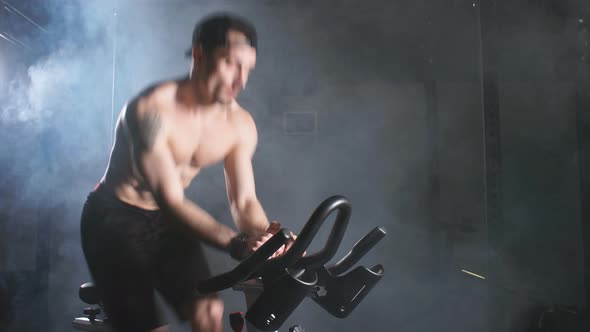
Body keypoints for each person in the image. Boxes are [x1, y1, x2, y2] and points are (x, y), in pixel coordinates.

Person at [80, 12, 292, 332]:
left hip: (164, 223)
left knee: (208, 311)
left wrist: (268, 243)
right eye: (231, 64)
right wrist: (237, 245)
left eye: (248, 69)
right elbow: (171, 200)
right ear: (199, 54)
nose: (241, 80)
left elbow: (245, 202)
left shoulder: (239, 125)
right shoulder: (152, 109)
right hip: (113, 220)